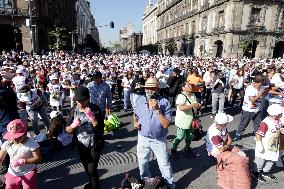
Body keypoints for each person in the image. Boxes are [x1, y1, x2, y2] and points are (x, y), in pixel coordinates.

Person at [134, 78, 175, 189]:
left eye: (152, 88)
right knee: (142, 162)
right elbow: (135, 115)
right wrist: (135, 122)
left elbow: (166, 124)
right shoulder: (140, 101)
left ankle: (170, 185)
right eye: (147, 88)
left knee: (164, 163)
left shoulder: (164, 102)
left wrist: (157, 109)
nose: (149, 91)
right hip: (143, 137)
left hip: (158, 139)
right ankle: (146, 182)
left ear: (157, 89)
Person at [66, 86, 104, 189]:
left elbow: (101, 128)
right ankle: (92, 182)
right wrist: (73, 125)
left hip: (94, 144)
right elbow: (67, 130)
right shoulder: (73, 111)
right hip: (81, 144)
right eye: (78, 101)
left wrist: (92, 117)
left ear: (88, 98)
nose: (80, 103)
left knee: (92, 169)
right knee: (87, 167)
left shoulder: (95, 109)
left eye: (83, 100)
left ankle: (94, 185)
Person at [0, 119, 42, 189]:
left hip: (29, 171)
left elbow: (38, 158)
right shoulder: (8, 143)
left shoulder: (31, 143)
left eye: (18, 137)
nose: (14, 139)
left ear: (25, 133)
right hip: (13, 172)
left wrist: (24, 161)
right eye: (12, 136)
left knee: (28, 187)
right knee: (9, 187)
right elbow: (0, 159)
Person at [251, 104, 283, 182]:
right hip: (264, 145)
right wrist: (259, 144)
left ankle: (265, 171)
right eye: (280, 114)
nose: (282, 115)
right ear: (276, 115)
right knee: (261, 159)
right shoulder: (265, 123)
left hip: (274, 144)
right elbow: (258, 134)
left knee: (272, 158)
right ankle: (256, 171)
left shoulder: (278, 120)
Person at [234, 75, 270, 141]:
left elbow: (268, 90)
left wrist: (279, 93)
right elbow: (252, 100)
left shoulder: (261, 86)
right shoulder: (250, 88)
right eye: (262, 82)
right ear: (259, 82)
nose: (263, 84)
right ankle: (238, 134)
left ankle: (257, 134)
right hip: (248, 110)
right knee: (244, 123)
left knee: (258, 123)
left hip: (257, 109)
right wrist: (260, 94)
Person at [170, 82, 201, 156]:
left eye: (191, 85)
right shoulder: (181, 96)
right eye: (188, 85)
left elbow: (195, 104)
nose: (190, 86)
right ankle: (173, 149)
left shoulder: (193, 95)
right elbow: (181, 108)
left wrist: (198, 105)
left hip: (191, 120)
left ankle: (187, 148)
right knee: (180, 136)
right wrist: (193, 105)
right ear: (183, 88)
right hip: (182, 121)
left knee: (189, 136)